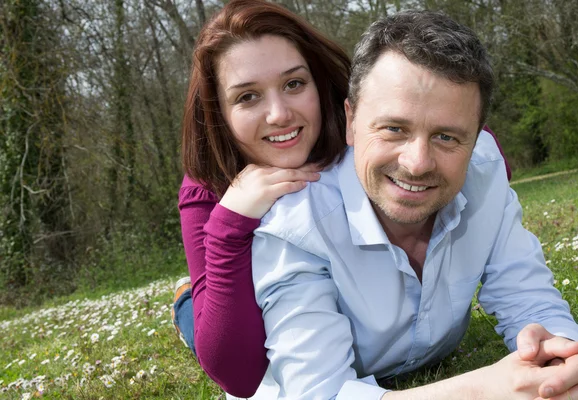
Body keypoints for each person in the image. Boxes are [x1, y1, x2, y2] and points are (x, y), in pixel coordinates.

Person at [251, 10, 578, 400]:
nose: (417, 163)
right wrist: (481, 391)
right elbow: (318, 394)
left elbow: (528, 296)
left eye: (447, 137)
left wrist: (562, 355)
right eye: (394, 129)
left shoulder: (484, 170)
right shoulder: (296, 226)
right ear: (351, 121)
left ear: (476, 136)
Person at [173, 0, 511, 397]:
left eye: (294, 84)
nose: (279, 114)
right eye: (248, 97)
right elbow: (238, 375)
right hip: (243, 312)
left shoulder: (358, 129)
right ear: (220, 114)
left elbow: (462, 134)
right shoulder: (206, 188)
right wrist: (231, 224)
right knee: (202, 314)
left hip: (315, 309)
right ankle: (183, 301)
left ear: (319, 82)